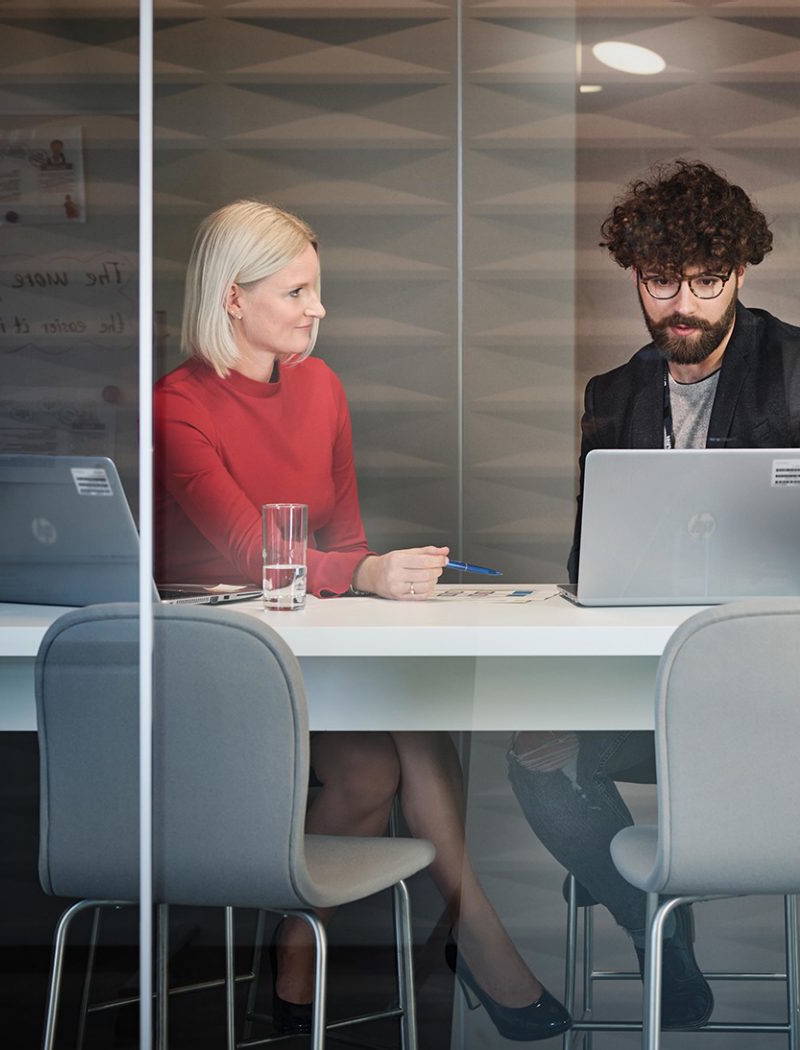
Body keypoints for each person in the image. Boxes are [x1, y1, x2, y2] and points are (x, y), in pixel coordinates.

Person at [155, 199, 572, 1041]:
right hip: (223, 663)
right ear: (233, 298)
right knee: (380, 765)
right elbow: (247, 548)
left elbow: (342, 538)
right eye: (298, 292)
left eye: (318, 291)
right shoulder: (177, 404)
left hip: (314, 648)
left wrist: (373, 574)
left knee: (395, 748)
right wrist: (368, 575)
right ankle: (463, 936)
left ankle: (316, 953)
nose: (318, 311)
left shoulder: (322, 387)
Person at [506, 160, 800, 1029]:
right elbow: (593, 558)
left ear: (741, 274)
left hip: (783, 698)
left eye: (707, 281)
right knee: (537, 751)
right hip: (666, 701)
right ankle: (658, 934)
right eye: (661, 281)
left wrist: (718, 576)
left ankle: (657, 932)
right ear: (635, 278)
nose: (683, 303)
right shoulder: (612, 396)